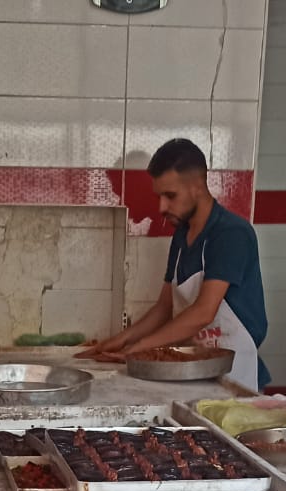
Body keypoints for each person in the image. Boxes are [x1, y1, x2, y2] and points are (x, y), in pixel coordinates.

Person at [83, 139, 269, 391]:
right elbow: (164, 307)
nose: (161, 207)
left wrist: (139, 349)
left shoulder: (231, 233)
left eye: (170, 196)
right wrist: (121, 340)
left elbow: (204, 312)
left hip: (234, 376)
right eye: (159, 196)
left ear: (197, 187)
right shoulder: (182, 235)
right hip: (194, 370)